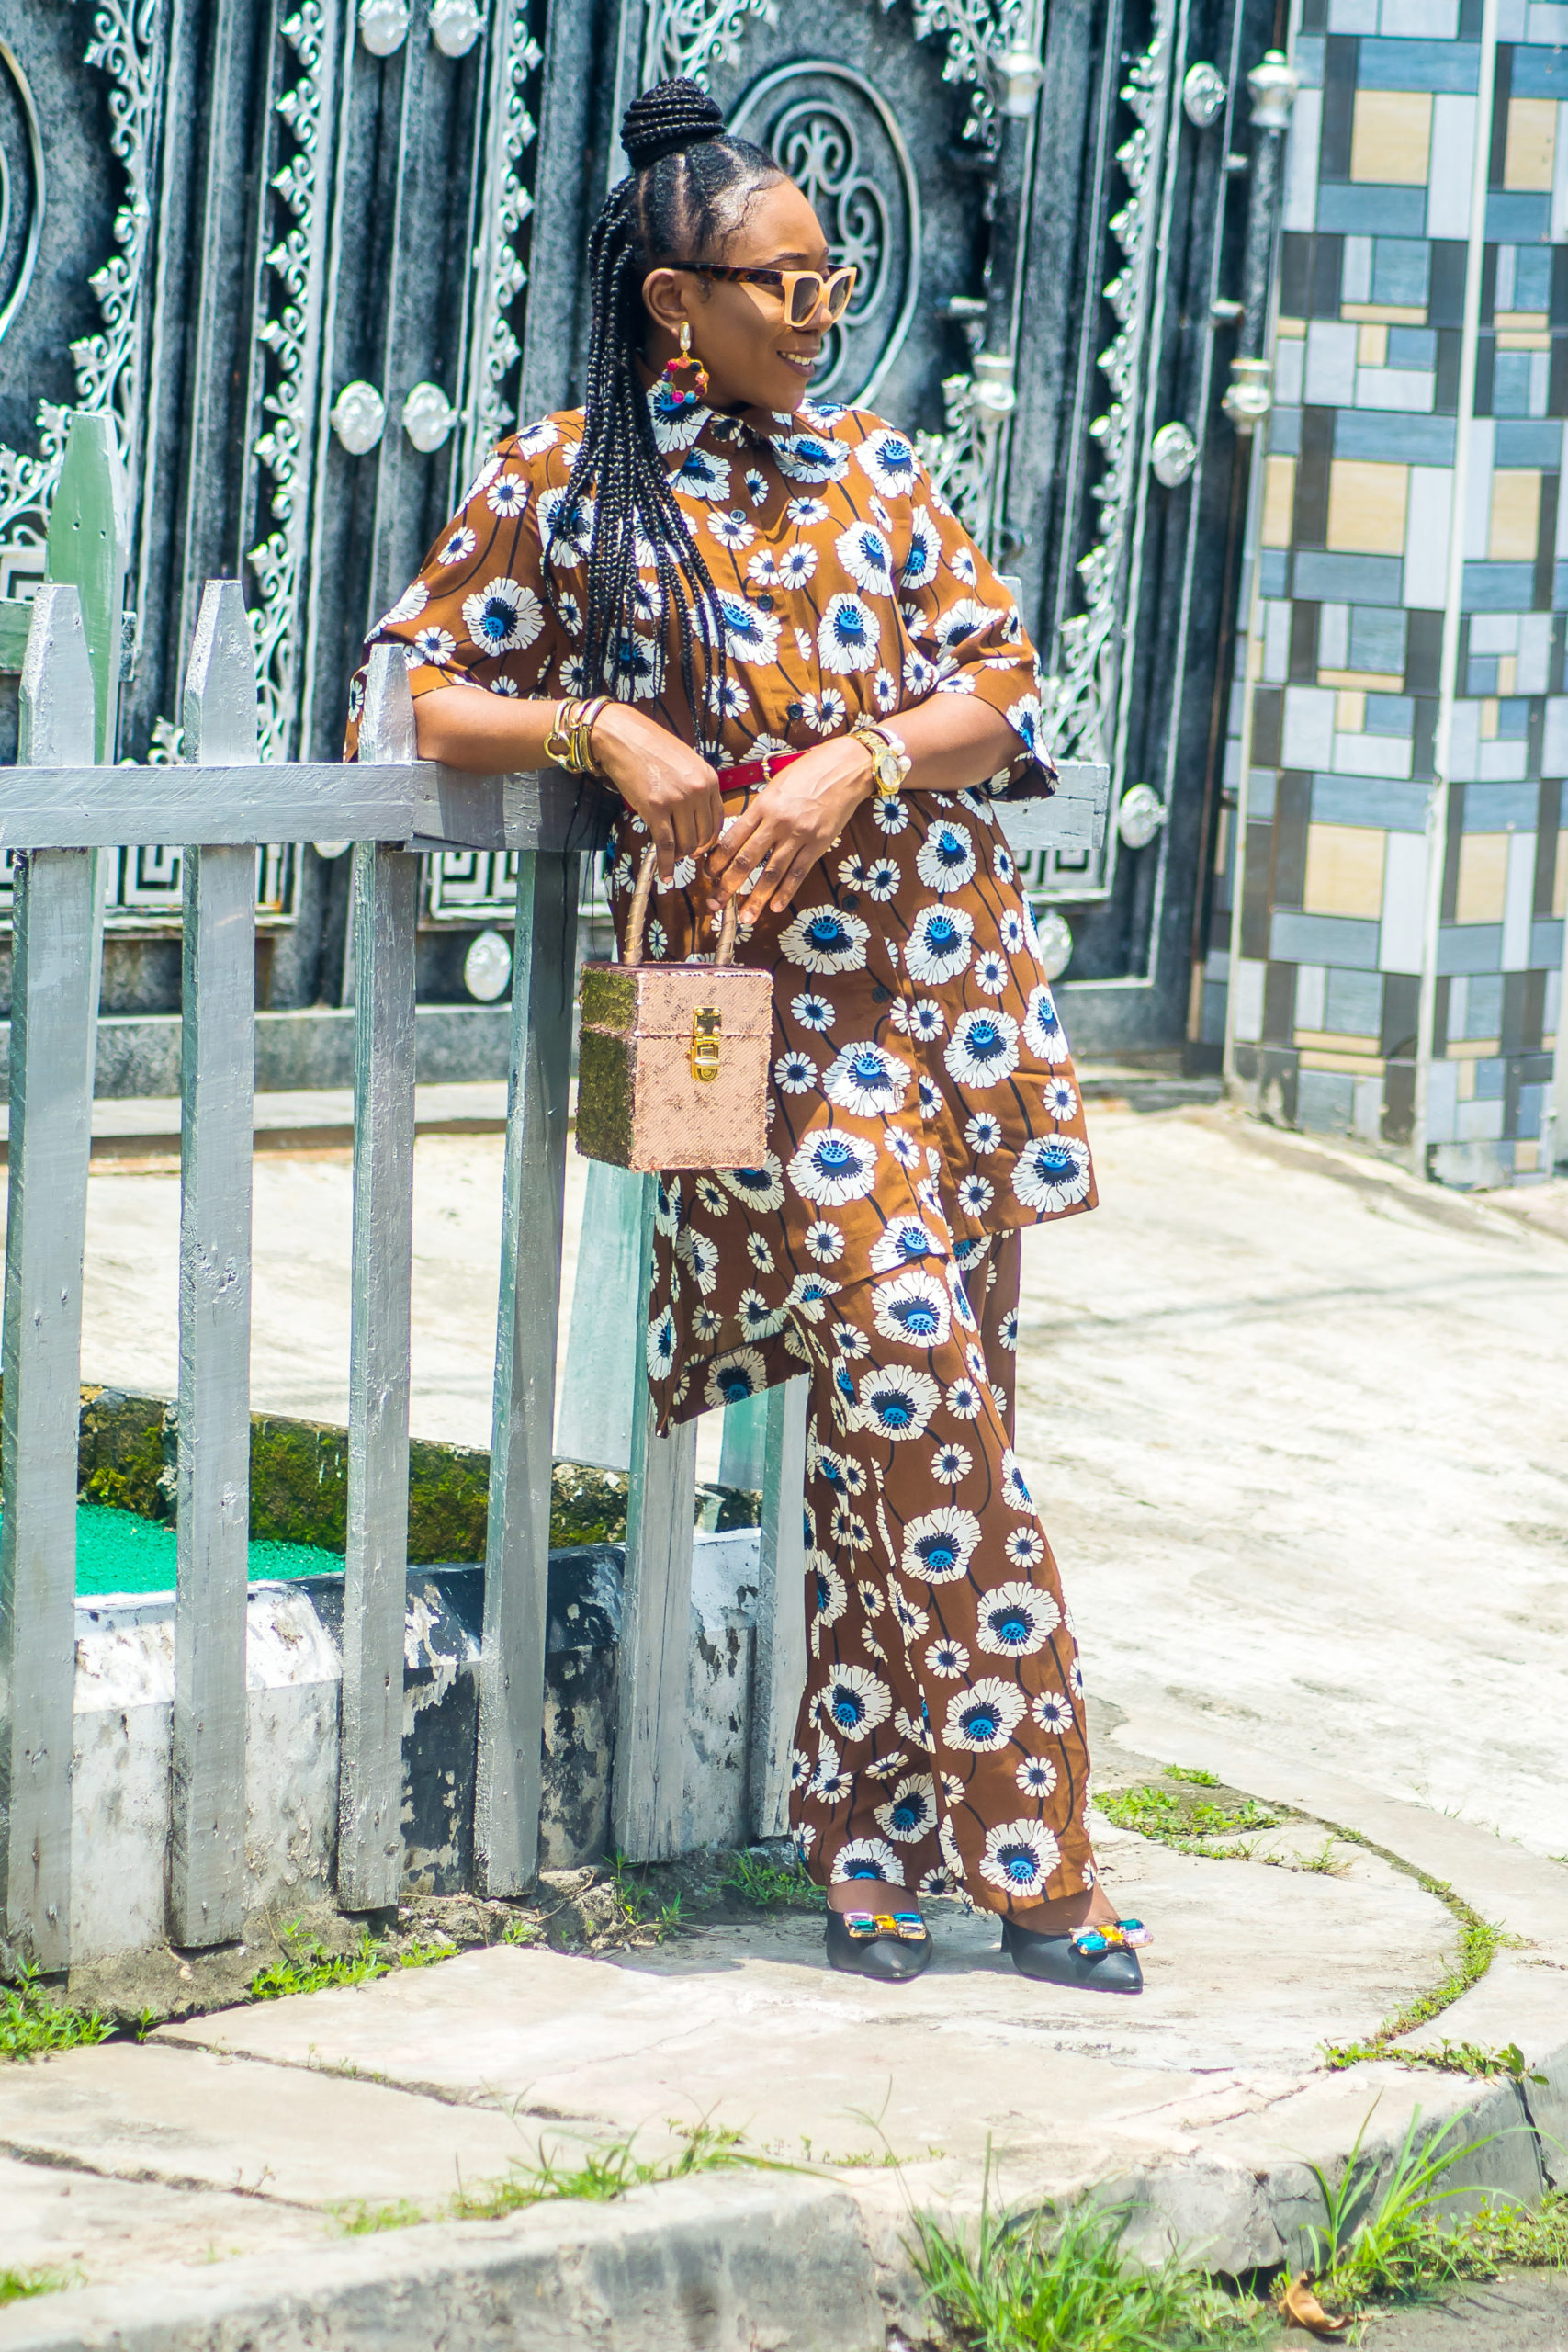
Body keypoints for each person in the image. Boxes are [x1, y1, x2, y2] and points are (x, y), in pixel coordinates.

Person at [353, 75, 1151, 1996]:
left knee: (911, 1424)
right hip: (764, 1037)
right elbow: (419, 689)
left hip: (950, 1005)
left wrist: (848, 763)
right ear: (674, 304)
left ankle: (866, 1841)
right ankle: (1039, 1853)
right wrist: (601, 729)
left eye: (829, 277)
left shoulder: (879, 469)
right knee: (915, 1383)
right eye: (780, 282)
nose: (816, 308)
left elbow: (1000, 683)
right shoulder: (568, 481)